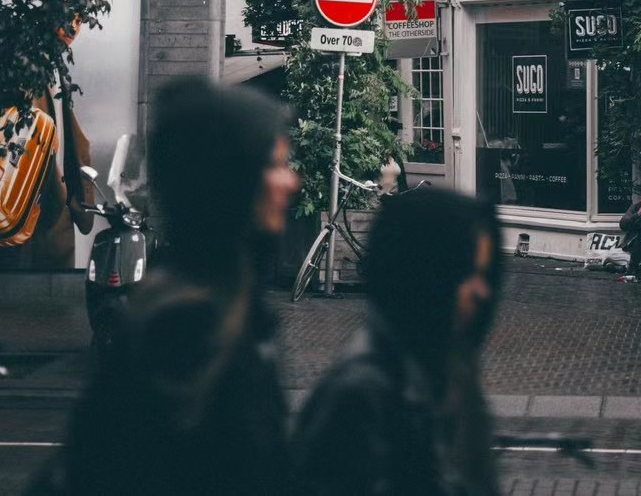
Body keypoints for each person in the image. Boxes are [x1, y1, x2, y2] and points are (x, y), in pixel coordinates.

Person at [60, 75, 299, 495]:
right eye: (275, 166)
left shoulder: (224, 304)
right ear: (231, 181)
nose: (290, 182)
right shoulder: (186, 336)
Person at [294, 186, 503, 496]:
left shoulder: (451, 372)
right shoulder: (360, 399)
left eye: (486, 275)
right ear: (429, 278)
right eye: (466, 273)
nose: (482, 292)